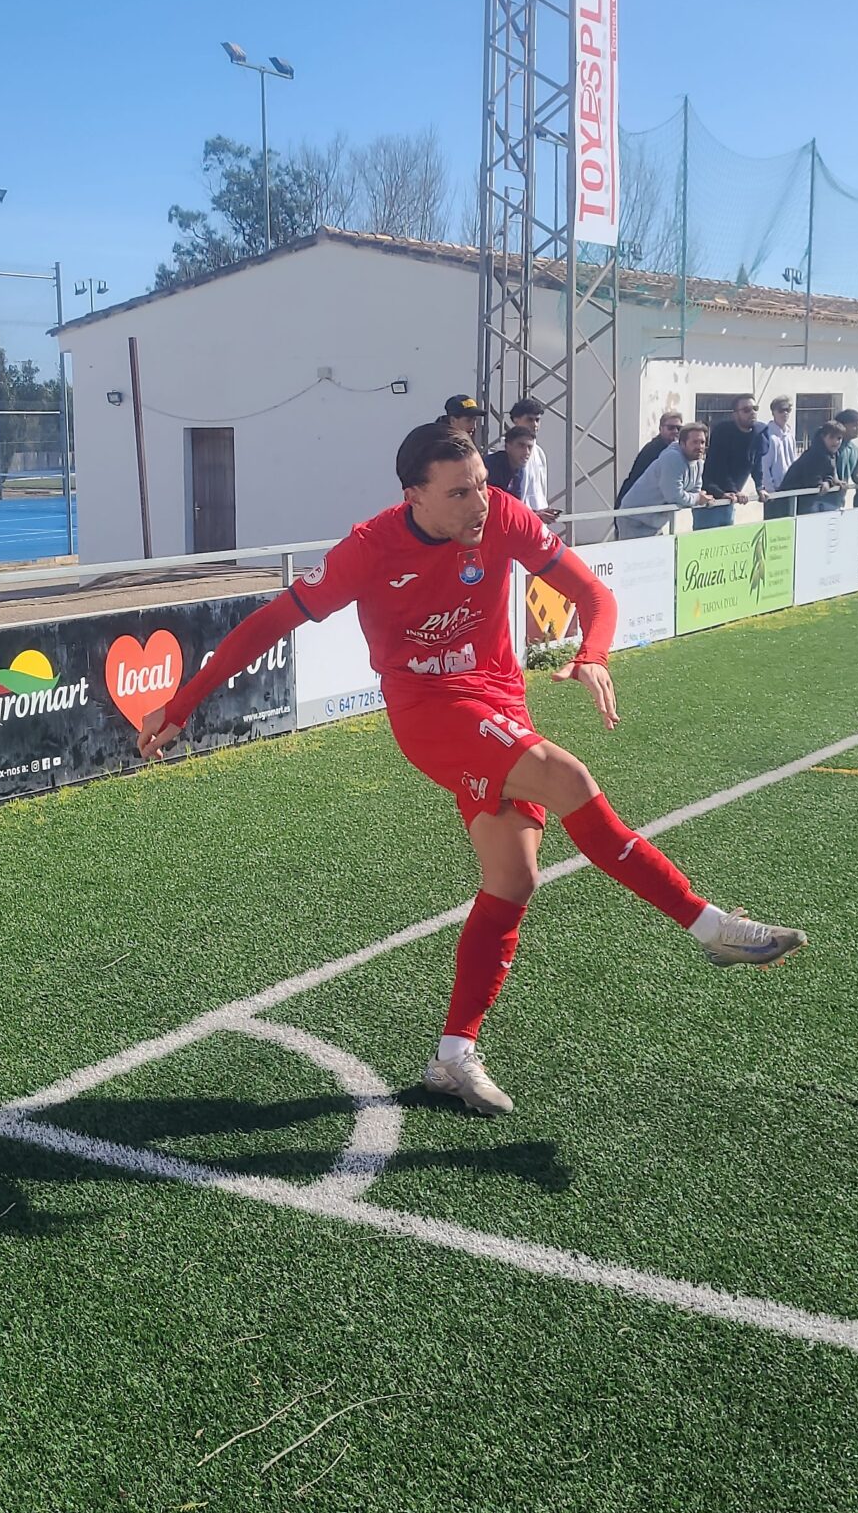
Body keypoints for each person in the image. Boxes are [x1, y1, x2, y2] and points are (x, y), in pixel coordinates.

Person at [135, 424, 804, 1115]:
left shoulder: (503, 517)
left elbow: (593, 597)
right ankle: (710, 928)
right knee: (568, 779)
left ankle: (452, 1056)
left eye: (483, 484)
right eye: (459, 492)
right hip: (429, 711)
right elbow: (268, 623)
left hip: (500, 702)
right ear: (414, 496)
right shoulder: (369, 548)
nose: (479, 502)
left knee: (514, 878)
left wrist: (596, 652)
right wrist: (183, 704)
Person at [615, 422, 717, 537]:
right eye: (694, 442)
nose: (700, 447)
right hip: (635, 519)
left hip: (654, 522)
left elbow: (694, 491)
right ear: (682, 443)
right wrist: (698, 498)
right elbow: (674, 496)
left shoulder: (699, 462)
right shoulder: (672, 458)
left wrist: (697, 497)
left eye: (702, 442)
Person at [697, 395, 763, 530]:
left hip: (730, 499)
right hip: (711, 497)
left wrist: (760, 487)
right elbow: (719, 467)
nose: (752, 413)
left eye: (755, 409)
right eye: (746, 410)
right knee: (706, 545)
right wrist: (733, 490)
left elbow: (756, 463)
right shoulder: (723, 432)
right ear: (735, 415)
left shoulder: (758, 433)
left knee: (725, 543)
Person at [770, 421, 846, 517]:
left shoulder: (832, 454)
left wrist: (833, 481)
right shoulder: (814, 454)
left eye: (839, 438)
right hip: (789, 504)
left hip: (803, 503)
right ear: (823, 437)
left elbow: (829, 474)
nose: (836, 442)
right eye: (831, 437)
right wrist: (827, 483)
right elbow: (813, 482)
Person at [504, 397, 560, 520]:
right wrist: (529, 514)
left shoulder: (539, 453)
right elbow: (505, 496)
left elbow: (541, 489)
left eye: (537, 420)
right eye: (529, 419)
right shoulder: (505, 451)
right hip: (519, 519)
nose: (534, 424)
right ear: (516, 420)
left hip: (539, 520)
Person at [621, 409, 685, 503]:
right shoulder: (655, 449)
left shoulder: (674, 449)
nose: (675, 431)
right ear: (661, 429)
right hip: (636, 501)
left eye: (679, 428)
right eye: (670, 428)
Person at [756, 399, 794, 497]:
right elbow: (764, 466)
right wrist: (770, 490)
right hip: (774, 490)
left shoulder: (790, 435)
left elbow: (793, 461)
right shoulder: (768, 435)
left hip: (791, 487)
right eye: (781, 410)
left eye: (788, 410)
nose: (785, 413)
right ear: (773, 412)